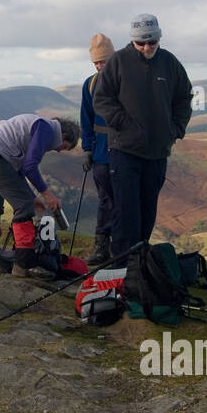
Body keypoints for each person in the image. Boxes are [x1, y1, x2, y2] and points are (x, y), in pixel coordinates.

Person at [91, 14, 193, 268]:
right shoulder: (118, 61)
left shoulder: (169, 63)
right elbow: (101, 98)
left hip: (157, 152)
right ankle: (119, 269)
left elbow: (184, 97)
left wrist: (175, 129)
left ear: (159, 38)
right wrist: (123, 124)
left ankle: (139, 268)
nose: (148, 47)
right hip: (124, 151)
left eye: (153, 42)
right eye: (141, 43)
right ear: (133, 41)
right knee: (125, 213)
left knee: (147, 212)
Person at [0, 113, 79, 277]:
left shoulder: (37, 126)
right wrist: (47, 194)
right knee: (24, 207)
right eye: (65, 146)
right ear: (63, 135)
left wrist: (32, 197)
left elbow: (17, 170)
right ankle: (23, 264)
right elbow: (29, 166)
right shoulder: (47, 129)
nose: (60, 150)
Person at [79, 33, 116, 266]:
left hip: (124, 151)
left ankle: (124, 248)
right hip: (101, 154)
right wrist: (87, 149)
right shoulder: (89, 84)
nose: (100, 66)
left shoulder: (126, 81)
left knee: (126, 200)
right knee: (106, 201)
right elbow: (86, 118)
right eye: (96, 63)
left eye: (104, 61)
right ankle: (102, 249)